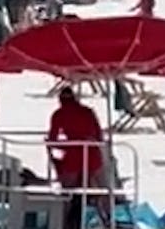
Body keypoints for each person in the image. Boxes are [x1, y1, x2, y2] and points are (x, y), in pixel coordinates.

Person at [47, 87, 107, 227]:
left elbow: (52, 140)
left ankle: (63, 223)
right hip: (92, 155)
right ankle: (107, 220)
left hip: (73, 156)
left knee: (67, 193)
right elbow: (99, 136)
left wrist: (63, 147)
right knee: (99, 192)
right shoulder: (88, 112)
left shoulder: (59, 114)